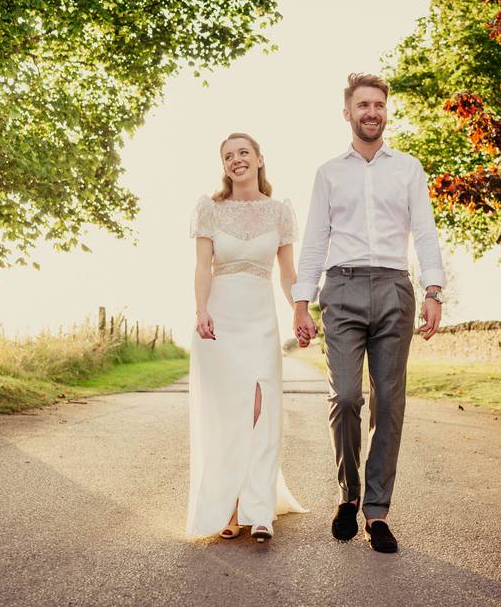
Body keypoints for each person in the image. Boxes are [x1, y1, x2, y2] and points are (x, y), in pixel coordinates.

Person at [292, 73, 446, 553]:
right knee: (346, 398)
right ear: (348, 113)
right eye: (363, 105)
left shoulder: (408, 168)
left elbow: (424, 230)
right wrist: (301, 300)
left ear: (386, 110)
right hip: (341, 289)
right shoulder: (329, 173)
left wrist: (434, 288)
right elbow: (315, 238)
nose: (372, 112)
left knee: (388, 403)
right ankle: (348, 495)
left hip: (395, 289)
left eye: (379, 104)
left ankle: (377, 512)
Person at [187, 132, 306, 542]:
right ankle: (228, 508)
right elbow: (203, 267)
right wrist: (201, 310)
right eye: (227, 156)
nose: (236, 159)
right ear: (223, 166)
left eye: (243, 152)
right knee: (228, 412)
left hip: (260, 321)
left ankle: (259, 510)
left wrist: (300, 310)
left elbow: (289, 275)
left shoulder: (280, 212)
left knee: (260, 408)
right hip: (219, 320)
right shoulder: (210, 209)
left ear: (258, 158)